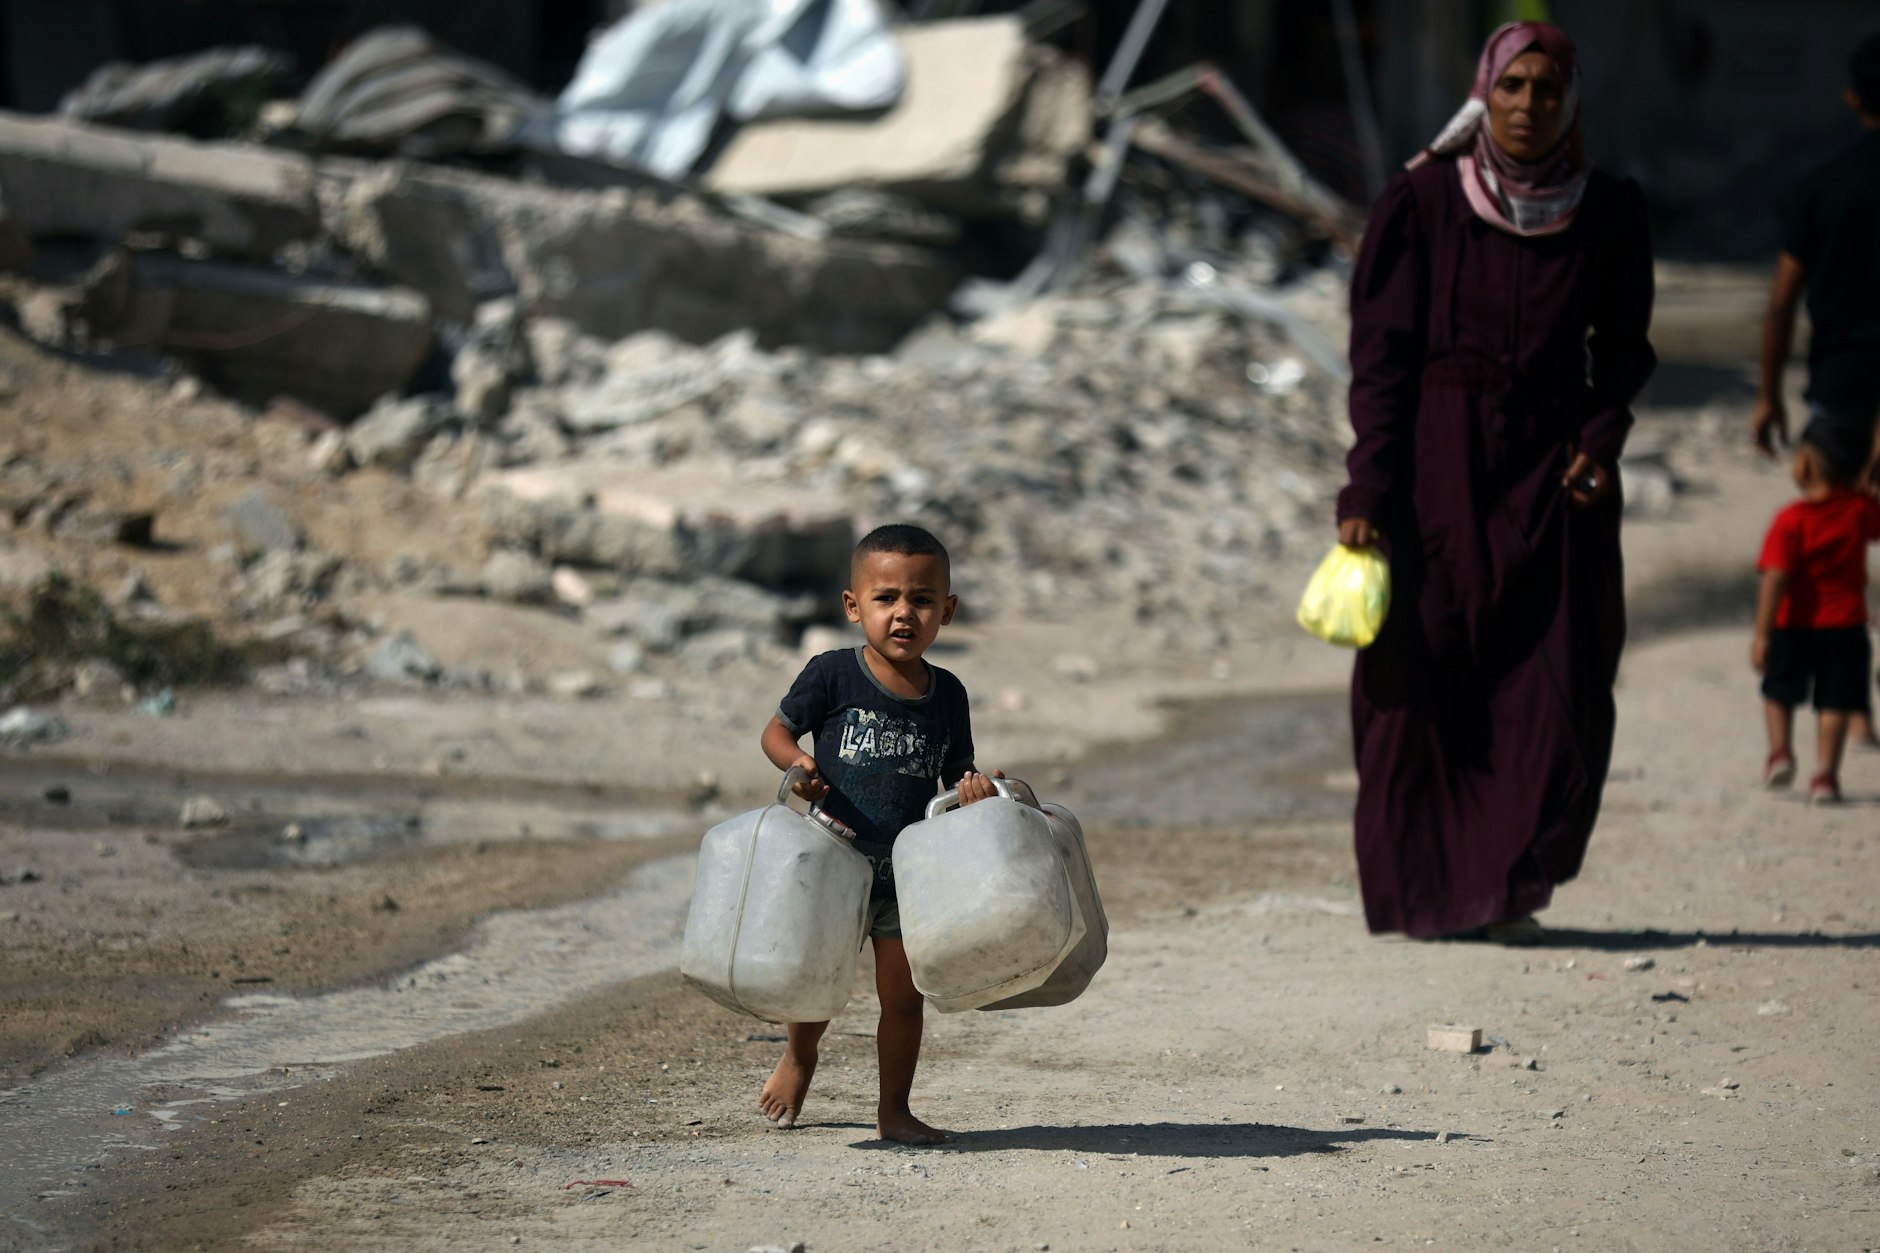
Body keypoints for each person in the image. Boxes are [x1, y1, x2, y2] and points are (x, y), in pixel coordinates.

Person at [1335, 22, 1655, 944]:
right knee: (1417, 682)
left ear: (1571, 101)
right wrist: (1367, 490)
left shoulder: (1607, 210)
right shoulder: (1424, 199)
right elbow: (1381, 361)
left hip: (1553, 483)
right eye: (1512, 87)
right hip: (1432, 473)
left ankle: (1509, 882)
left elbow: (1624, 351)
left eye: (1547, 90)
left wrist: (1601, 439)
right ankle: (1430, 893)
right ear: (1485, 91)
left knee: (1556, 684)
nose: (1527, 107)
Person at [756, 523, 998, 1144]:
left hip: (906, 873)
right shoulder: (833, 675)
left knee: (904, 999)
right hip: (833, 857)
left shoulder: (950, 694)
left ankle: (894, 1110)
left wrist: (974, 790)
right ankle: (800, 1057)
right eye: (886, 598)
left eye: (921, 600)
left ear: (946, 610)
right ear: (853, 605)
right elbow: (775, 735)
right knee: (816, 981)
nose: (903, 614)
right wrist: (798, 766)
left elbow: (955, 774)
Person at [1752, 32, 1880, 747]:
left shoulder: (1823, 182)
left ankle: (1851, 707)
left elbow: (1781, 301)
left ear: (1853, 97)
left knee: (1836, 545)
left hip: (1836, 388)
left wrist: (1768, 395)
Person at [1753, 419, 1880, 805]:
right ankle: (1825, 776)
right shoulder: (1859, 511)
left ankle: (1780, 752)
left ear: (1805, 465)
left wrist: (1761, 634)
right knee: (1836, 702)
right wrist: (1866, 490)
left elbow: (1774, 579)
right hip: (1845, 624)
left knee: (1778, 691)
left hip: (1792, 624)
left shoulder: (1789, 521)